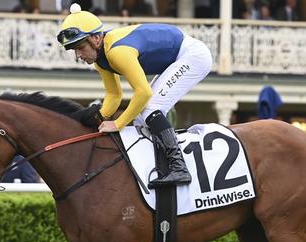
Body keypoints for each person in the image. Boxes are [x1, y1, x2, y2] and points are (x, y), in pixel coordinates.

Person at [57, 4, 213, 187]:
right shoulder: (100, 60)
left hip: (193, 56)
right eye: (73, 50)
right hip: (179, 57)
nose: (78, 55)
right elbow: (114, 95)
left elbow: (143, 92)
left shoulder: (117, 52)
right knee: (140, 118)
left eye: (80, 47)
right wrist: (98, 118)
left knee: (150, 109)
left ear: (96, 38)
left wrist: (118, 123)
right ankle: (157, 166)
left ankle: (179, 167)